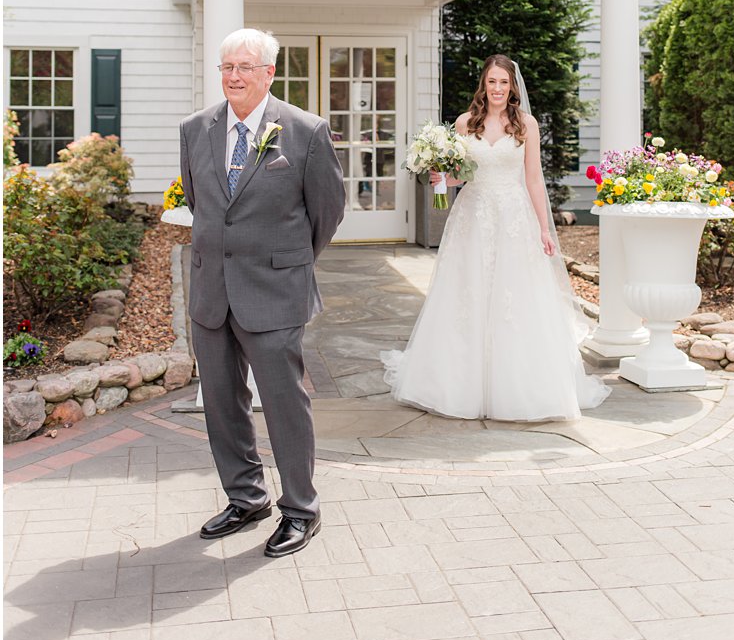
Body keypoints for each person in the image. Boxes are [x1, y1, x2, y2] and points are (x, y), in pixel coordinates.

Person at [181, 28, 345, 558]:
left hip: (274, 291)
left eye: (245, 67)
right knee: (222, 405)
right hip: (211, 291)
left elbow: (326, 212)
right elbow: (201, 205)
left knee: (283, 403)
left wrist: (288, 263)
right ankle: (245, 498)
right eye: (227, 67)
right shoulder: (194, 129)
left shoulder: (305, 131)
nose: (233, 76)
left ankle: (300, 508)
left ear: (269, 73)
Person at [381, 55, 610, 421]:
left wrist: (543, 227)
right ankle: (457, 385)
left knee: (512, 298)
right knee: (466, 293)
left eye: (504, 82)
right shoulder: (464, 123)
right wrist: (440, 177)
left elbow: (533, 179)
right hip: (471, 217)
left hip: (513, 219)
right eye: (492, 82)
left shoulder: (526, 125)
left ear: (512, 86)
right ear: (483, 85)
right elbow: (459, 176)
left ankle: (517, 387)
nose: (498, 89)